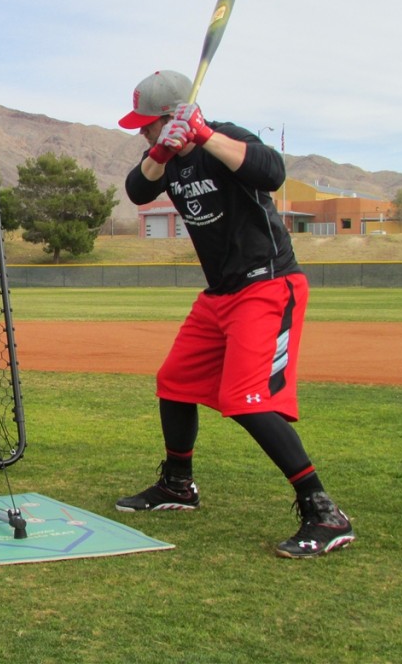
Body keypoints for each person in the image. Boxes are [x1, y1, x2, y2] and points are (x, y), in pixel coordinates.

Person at [115, 70, 354, 558]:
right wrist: (163, 151)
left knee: (246, 399)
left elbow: (272, 172)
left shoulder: (225, 137)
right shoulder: (162, 157)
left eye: (147, 125)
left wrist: (203, 134)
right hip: (219, 294)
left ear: (170, 116)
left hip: (266, 284)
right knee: (174, 382)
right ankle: (178, 485)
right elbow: (137, 190)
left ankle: (324, 512)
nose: (142, 133)